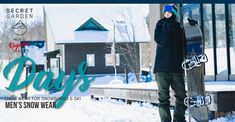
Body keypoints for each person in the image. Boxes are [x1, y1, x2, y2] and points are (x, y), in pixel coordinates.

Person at [154, 4, 187, 122]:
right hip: (161, 69)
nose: (166, 14)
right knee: (163, 98)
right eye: (165, 12)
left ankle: (179, 119)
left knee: (182, 96)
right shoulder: (160, 25)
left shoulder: (180, 28)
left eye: (169, 12)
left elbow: (185, 46)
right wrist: (167, 24)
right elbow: (161, 41)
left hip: (176, 69)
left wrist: (191, 28)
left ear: (174, 13)